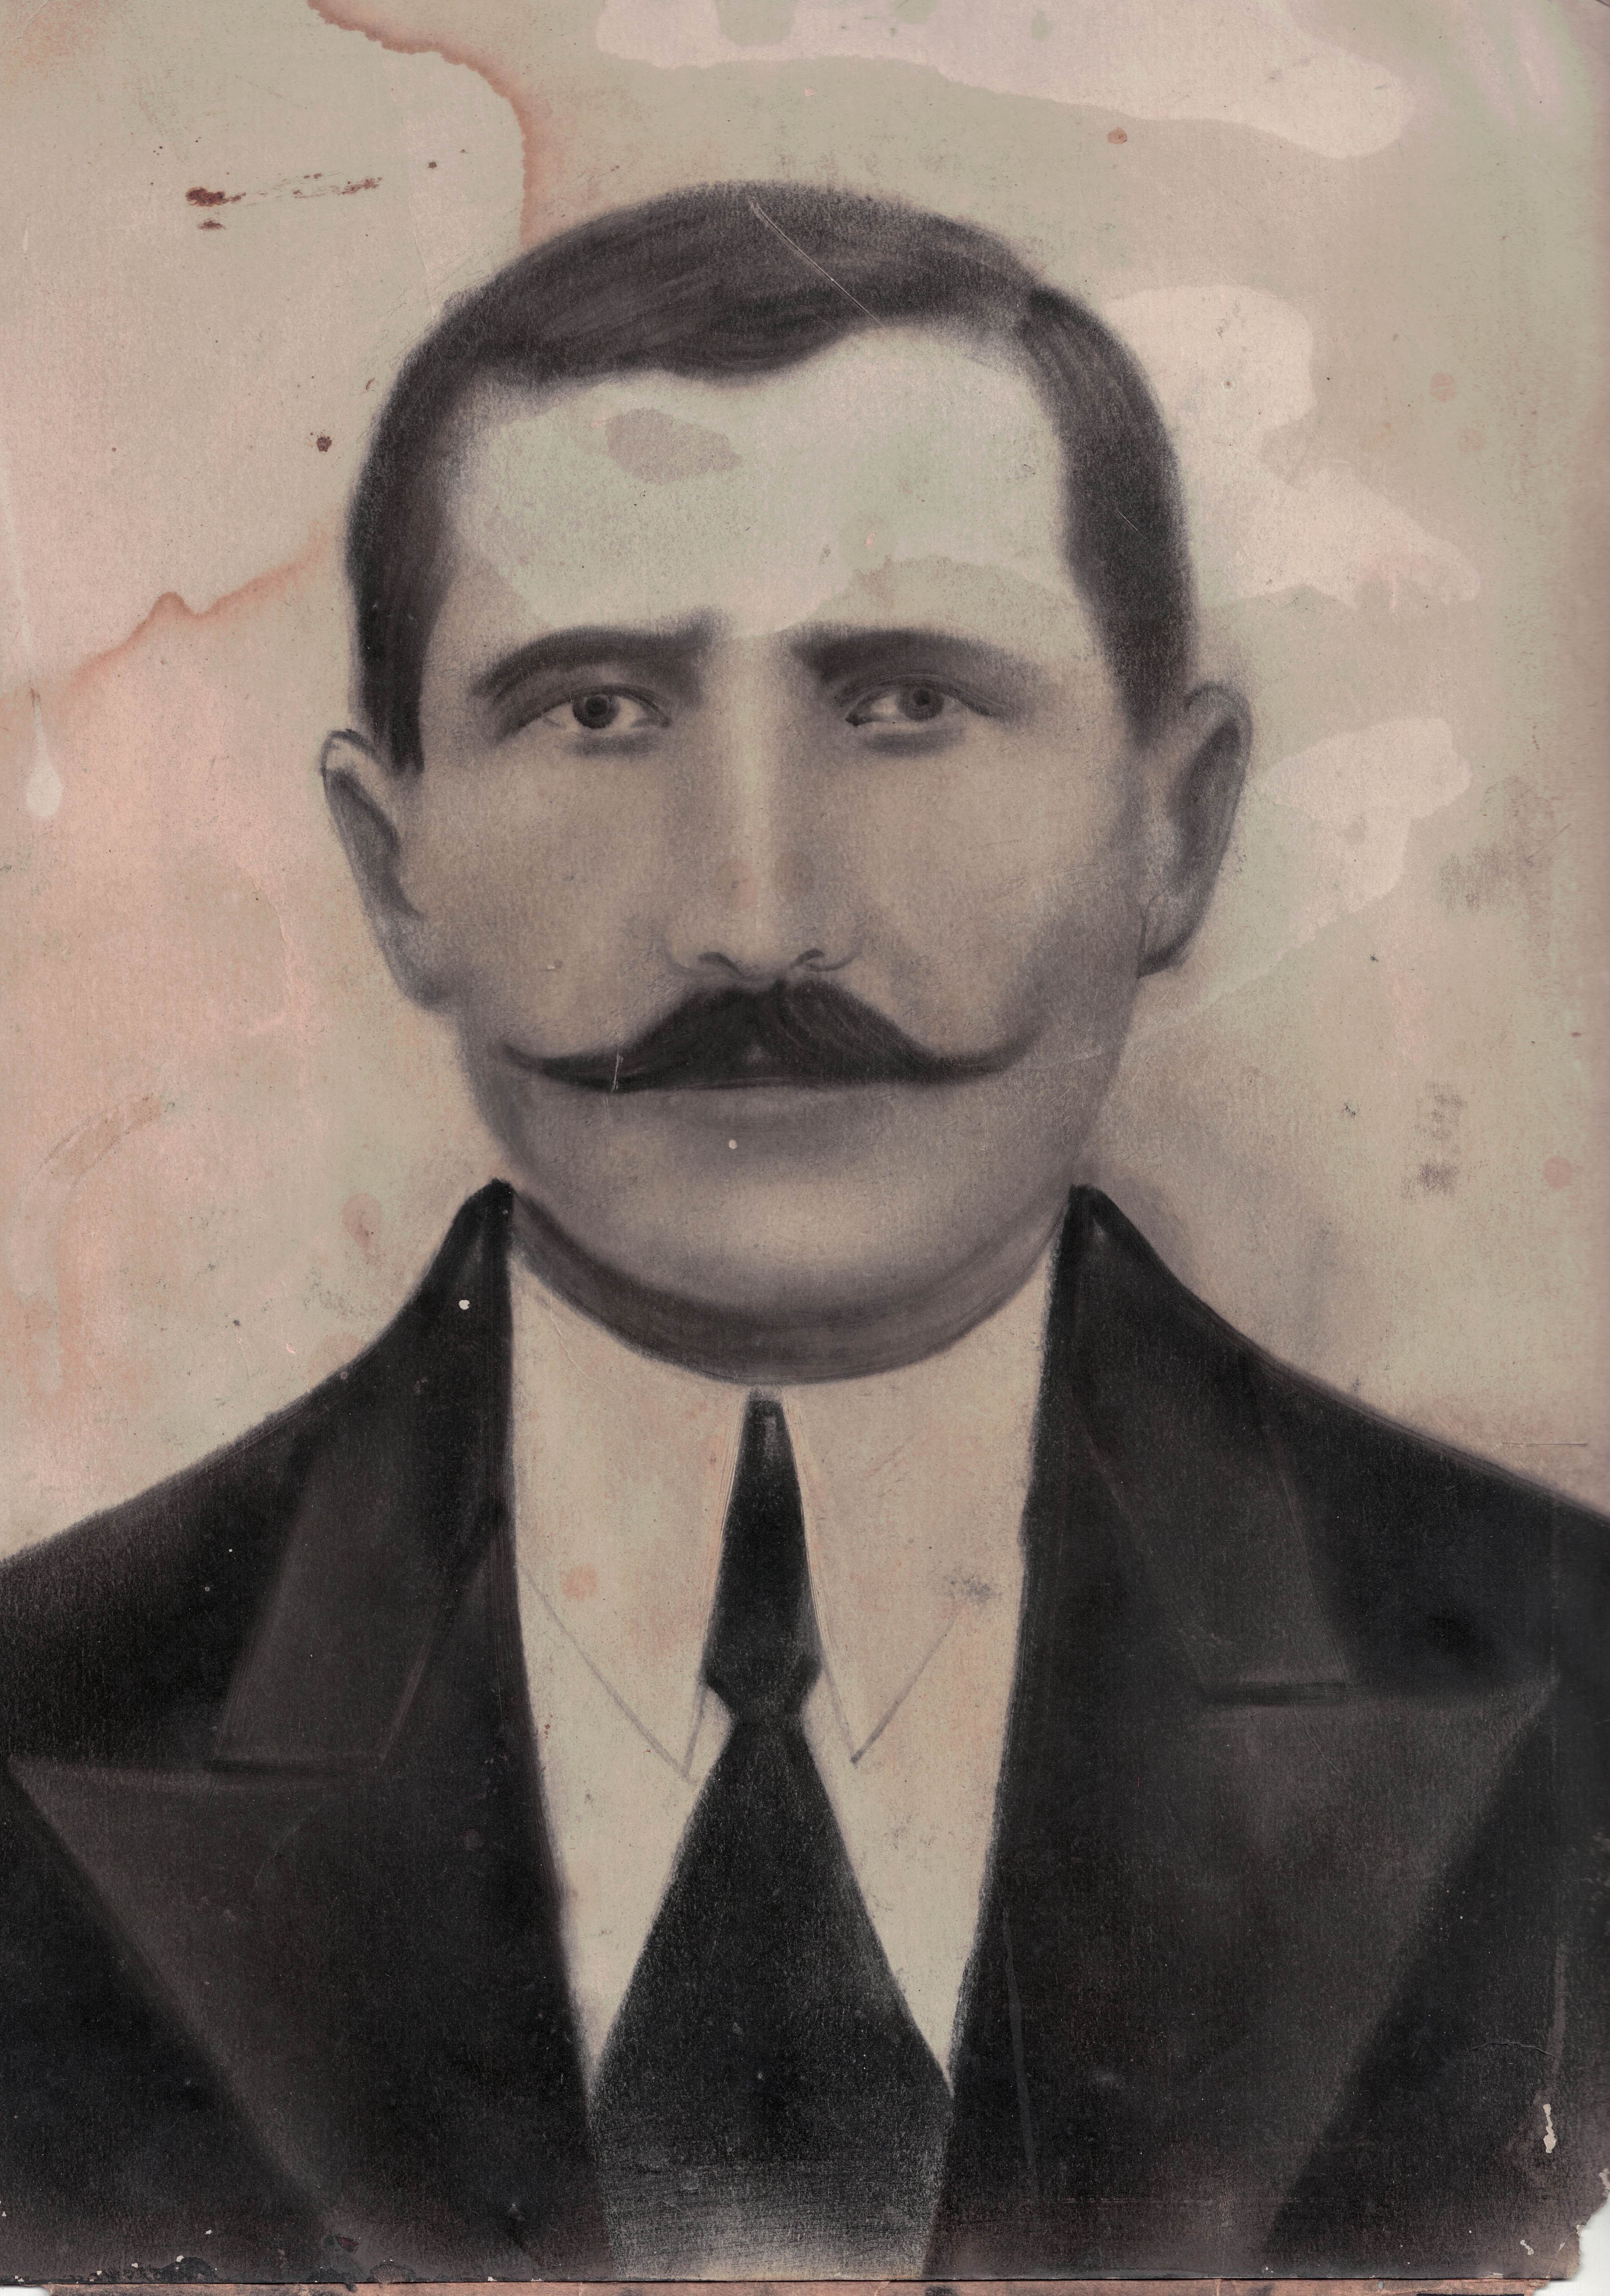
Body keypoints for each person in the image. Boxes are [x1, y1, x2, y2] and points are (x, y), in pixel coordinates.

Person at [0, 182, 1604, 2285]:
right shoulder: (39, 1717)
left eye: (905, 700)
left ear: (1176, 823)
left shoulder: (1574, 1687)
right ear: (393, 870)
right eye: (595, 710)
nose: (752, 922)